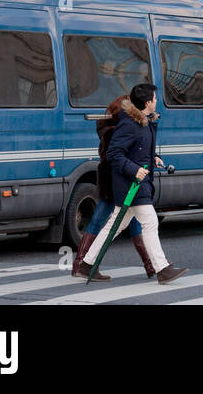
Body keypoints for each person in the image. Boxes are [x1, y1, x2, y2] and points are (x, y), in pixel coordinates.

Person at [79, 83, 186, 285]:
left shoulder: (144, 121)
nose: (156, 101)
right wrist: (134, 169)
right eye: (154, 98)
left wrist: (153, 157)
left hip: (136, 182)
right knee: (150, 222)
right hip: (132, 183)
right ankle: (162, 268)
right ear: (147, 103)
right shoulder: (130, 124)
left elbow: (137, 148)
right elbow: (114, 154)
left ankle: (87, 264)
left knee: (115, 225)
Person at [72, 93, 157, 280]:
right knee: (105, 220)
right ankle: (82, 264)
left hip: (115, 179)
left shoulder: (114, 128)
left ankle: (152, 266)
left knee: (133, 221)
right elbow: (122, 155)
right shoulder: (120, 129)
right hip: (118, 180)